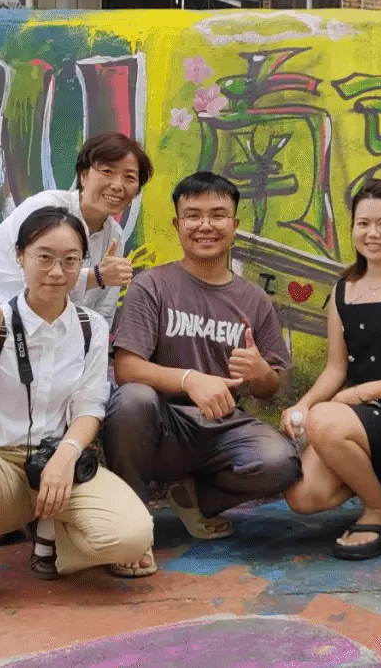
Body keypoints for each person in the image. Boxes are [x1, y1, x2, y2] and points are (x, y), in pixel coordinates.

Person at [0, 207, 156, 625]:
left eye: (70, 260)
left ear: (82, 264)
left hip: (56, 469)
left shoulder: (90, 328)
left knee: (133, 537)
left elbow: (89, 406)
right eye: (44, 257)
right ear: (20, 257)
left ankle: (53, 540)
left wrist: (66, 454)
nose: (57, 272)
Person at [102, 172, 301, 540]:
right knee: (131, 400)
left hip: (222, 430)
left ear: (235, 225)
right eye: (193, 216)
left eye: (217, 215)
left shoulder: (255, 300)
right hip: (161, 426)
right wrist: (189, 379)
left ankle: (194, 498)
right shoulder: (152, 285)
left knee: (281, 462)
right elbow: (126, 369)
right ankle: (129, 520)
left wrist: (260, 373)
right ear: (177, 225)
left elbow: (271, 388)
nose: (205, 226)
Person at [281, 179, 381, 560]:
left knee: (325, 421)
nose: (373, 233)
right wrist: (303, 405)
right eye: (363, 223)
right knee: (304, 497)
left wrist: (360, 394)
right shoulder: (344, 288)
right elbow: (335, 369)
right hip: (357, 420)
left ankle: (380, 511)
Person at [0, 132, 152, 389]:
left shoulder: (114, 238)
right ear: (84, 175)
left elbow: (102, 312)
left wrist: (90, 362)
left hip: (10, 325)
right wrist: (96, 276)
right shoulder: (47, 208)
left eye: (129, 177)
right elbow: (30, 275)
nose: (117, 185)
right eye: (107, 172)